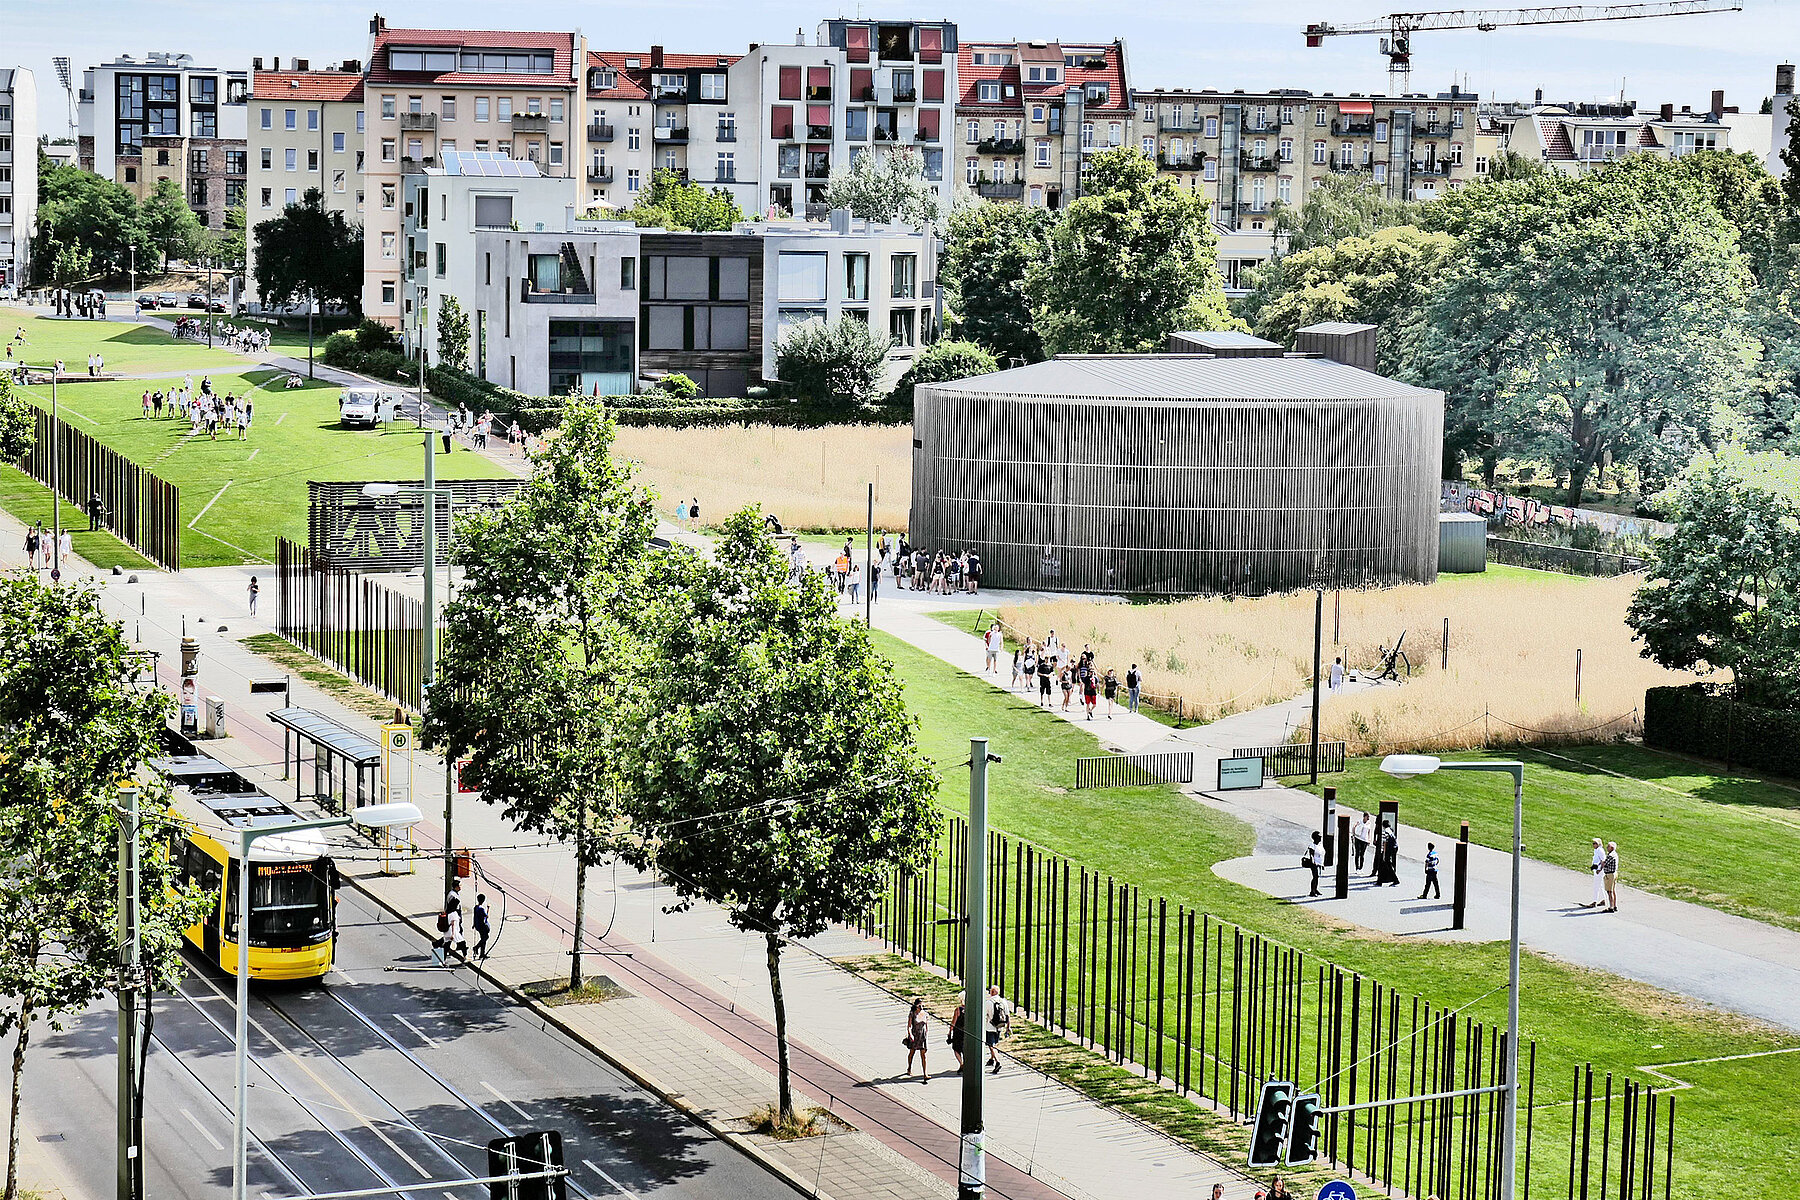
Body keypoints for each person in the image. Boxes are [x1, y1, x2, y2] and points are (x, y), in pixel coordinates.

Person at [904, 996, 931, 1081]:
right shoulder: (912, 1013)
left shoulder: (925, 1014)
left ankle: (925, 1073)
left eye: (922, 1005)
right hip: (915, 1035)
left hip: (922, 1036)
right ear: (916, 1006)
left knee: (923, 1055)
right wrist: (910, 1034)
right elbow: (908, 1026)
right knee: (912, 1053)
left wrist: (926, 1033)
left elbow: (926, 1026)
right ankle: (909, 1068)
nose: (921, 1007)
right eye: (919, 1005)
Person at [985, 984, 1009, 1074]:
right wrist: (1008, 1027)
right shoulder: (1003, 1001)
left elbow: (985, 1016)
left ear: (991, 992)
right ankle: (991, 1059)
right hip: (999, 1026)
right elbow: (1007, 1015)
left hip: (990, 1026)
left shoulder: (988, 1003)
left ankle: (997, 1062)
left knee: (991, 1045)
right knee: (994, 1043)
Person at [1585, 837, 1606, 908]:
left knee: (1596, 886)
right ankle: (1604, 900)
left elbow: (1603, 861)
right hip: (1596, 869)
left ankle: (1594, 901)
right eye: (1593, 843)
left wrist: (1599, 869)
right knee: (1600, 885)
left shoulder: (1600, 851)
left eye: (1595, 843)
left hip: (1599, 871)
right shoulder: (1596, 850)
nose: (1593, 845)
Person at [471, 892, 492, 960]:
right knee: (485, 938)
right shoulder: (481, 909)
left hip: (478, 925)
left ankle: (482, 954)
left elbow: (474, 916)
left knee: (483, 938)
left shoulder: (476, 907)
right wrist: (488, 908)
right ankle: (476, 947)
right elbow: (486, 916)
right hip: (482, 926)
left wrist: (474, 924)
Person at [947, 1001, 966, 1072]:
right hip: (966, 1032)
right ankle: (965, 1063)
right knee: (965, 1049)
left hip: (958, 1032)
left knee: (956, 1048)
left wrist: (949, 1032)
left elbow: (953, 1022)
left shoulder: (958, 1009)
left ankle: (961, 1063)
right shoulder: (971, 1009)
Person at [1304, 831, 1323, 897]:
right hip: (1314, 863)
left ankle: (1315, 889)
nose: (1321, 838)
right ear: (1315, 838)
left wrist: (1322, 864)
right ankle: (1312, 891)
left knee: (1317, 877)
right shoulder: (1312, 845)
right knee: (1315, 877)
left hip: (1318, 863)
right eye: (1319, 837)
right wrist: (1313, 862)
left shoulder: (1319, 845)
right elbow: (1311, 854)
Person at [1601, 841, 1620, 912]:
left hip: (1610, 874)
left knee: (1609, 891)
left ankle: (1611, 907)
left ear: (1611, 848)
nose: (1607, 848)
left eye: (1608, 846)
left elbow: (1604, 864)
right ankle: (1614, 905)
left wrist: (1602, 862)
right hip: (1614, 873)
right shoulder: (1615, 854)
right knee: (1613, 890)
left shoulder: (1610, 855)